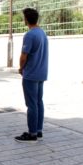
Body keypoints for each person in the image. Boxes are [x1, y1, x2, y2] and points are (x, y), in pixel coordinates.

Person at [15, 8, 49, 143]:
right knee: (39, 102)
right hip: (41, 73)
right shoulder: (42, 33)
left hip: (31, 74)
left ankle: (32, 133)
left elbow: (24, 56)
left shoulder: (29, 35)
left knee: (31, 104)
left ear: (26, 19)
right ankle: (38, 130)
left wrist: (21, 68)